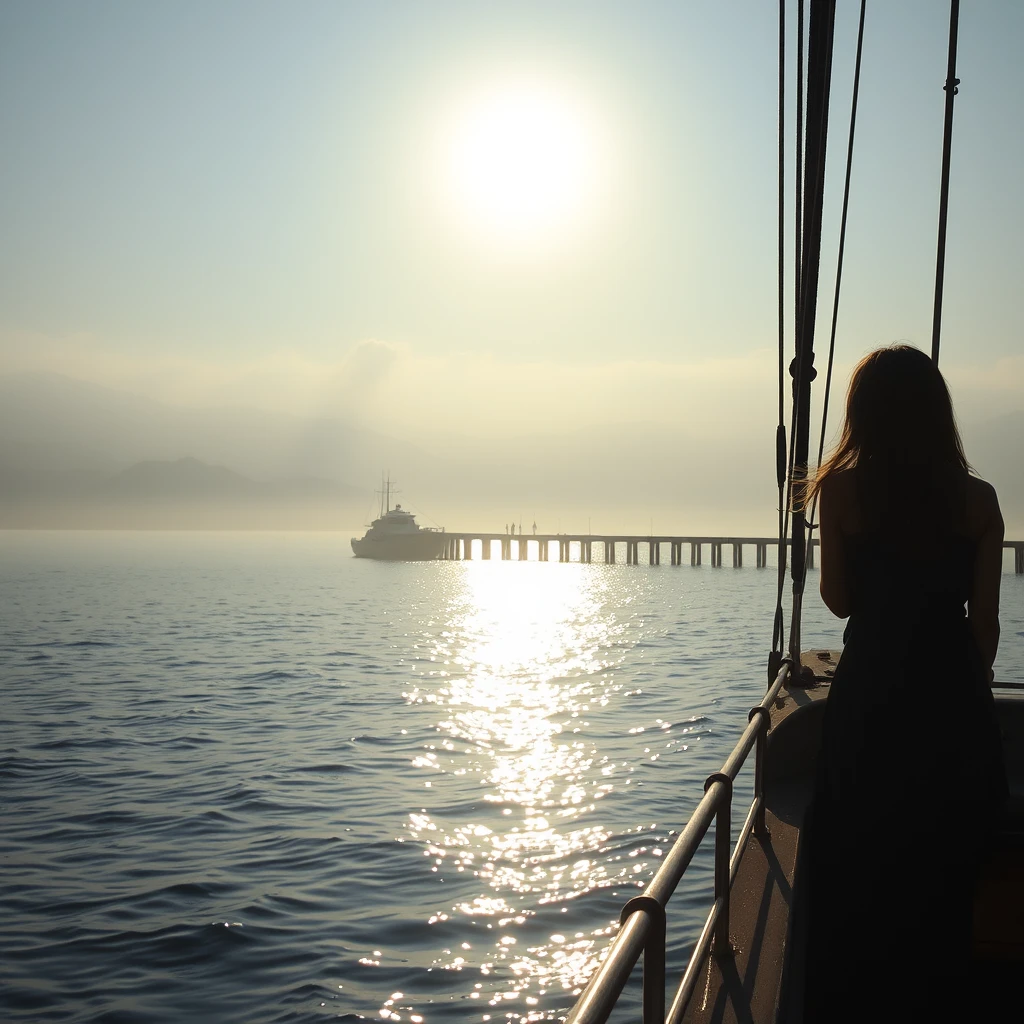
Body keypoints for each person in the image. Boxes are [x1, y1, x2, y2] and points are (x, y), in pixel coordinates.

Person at [802, 345, 1007, 1022]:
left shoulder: (842, 491)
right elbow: (985, 628)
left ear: (863, 414)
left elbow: (837, 600)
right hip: (952, 702)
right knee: (941, 875)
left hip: (872, 703)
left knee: (863, 869)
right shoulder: (979, 501)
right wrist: (965, 699)